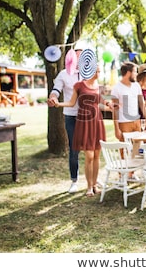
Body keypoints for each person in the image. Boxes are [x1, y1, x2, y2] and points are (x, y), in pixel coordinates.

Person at [53, 58, 108, 197]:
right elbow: (72, 103)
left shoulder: (98, 86)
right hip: (84, 121)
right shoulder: (79, 85)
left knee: (96, 156)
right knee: (89, 156)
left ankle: (95, 185)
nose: (98, 74)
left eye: (99, 71)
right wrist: (58, 104)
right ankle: (88, 187)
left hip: (97, 121)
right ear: (90, 70)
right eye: (97, 71)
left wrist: (112, 106)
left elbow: (102, 103)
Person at [47, 48, 82, 194]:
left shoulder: (90, 74)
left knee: (92, 149)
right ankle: (74, 180)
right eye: (79, 57)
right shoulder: (64, 74)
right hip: (71, 116)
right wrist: (53, 98)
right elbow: (56, 90)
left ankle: (93, 180)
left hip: (89, 116)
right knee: (74, 150)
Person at [111, 62, 146, 157]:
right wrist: (116, 129)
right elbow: (115, 110)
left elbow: (142, 104)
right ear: (128, 73)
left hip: (137, 122)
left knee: (136, 152)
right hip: (124, 123)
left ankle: (132, 172)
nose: (136, 74)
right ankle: (123, 171)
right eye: (135, 72)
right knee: (125, 151)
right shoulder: (116, 88)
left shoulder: (136, 86)